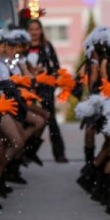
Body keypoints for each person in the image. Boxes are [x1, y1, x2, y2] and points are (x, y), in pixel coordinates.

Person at [26, 19, 68, 163]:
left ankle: (59, 153)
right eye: (31, 29)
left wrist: (46, 73)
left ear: (41, 30)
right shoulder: (23, 47)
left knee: (50, 119)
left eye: (37, 29)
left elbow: (56, 68)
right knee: (29, 119)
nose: (34, 32)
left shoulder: (47, 46)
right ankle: (28, 152)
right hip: (28, 88)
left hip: (45, 87)